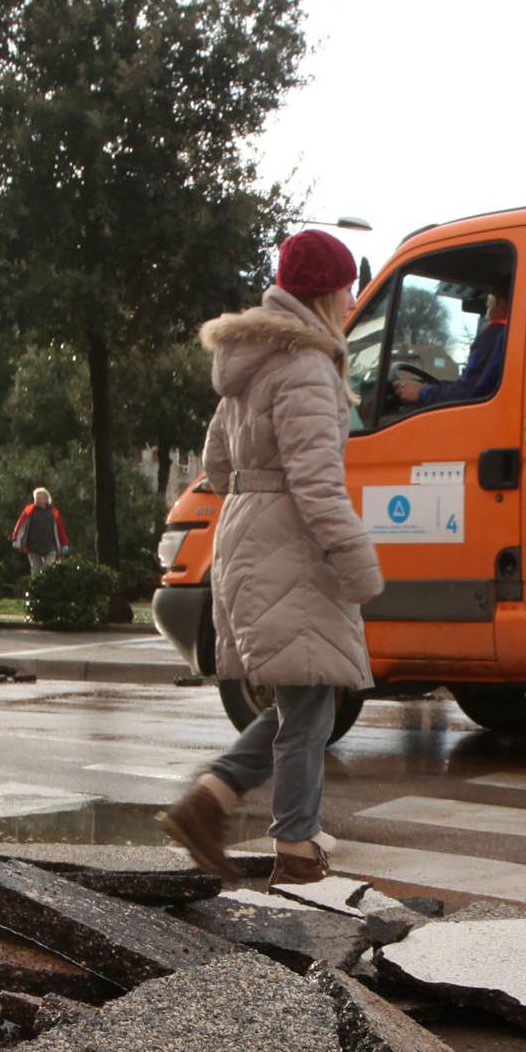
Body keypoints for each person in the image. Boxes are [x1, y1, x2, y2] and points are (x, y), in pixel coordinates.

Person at [158, 230, 383, 891]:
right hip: (289, 541)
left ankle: (218, 804)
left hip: (244, 535)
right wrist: (354, 558)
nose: (348, 305)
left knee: (304, 699)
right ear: (327, 293)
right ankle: (291, 848)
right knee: (309, 700)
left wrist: (259, 502)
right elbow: (317, 482)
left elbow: (217, 469)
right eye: (346, 291)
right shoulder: (307, 367)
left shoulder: (248, 363)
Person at [394, 289, 509, 408]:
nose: (487, 315)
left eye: (489, 306)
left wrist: (422, 392)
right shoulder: (512, 335)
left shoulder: (495, 335)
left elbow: (471, 393)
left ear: (501, 304)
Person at [11, 486, 70, 573]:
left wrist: (64, 543)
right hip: (33, 547)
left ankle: (47, 586)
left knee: (49, 571)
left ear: (47, 499)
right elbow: (20, 526)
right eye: (36, 498)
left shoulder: (54, 512)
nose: (37, 500)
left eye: (40, 498)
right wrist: (16, 540)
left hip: (50, 547)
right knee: (36, 572)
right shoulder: (29, 511)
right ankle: (35, 586)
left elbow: (60, 529)